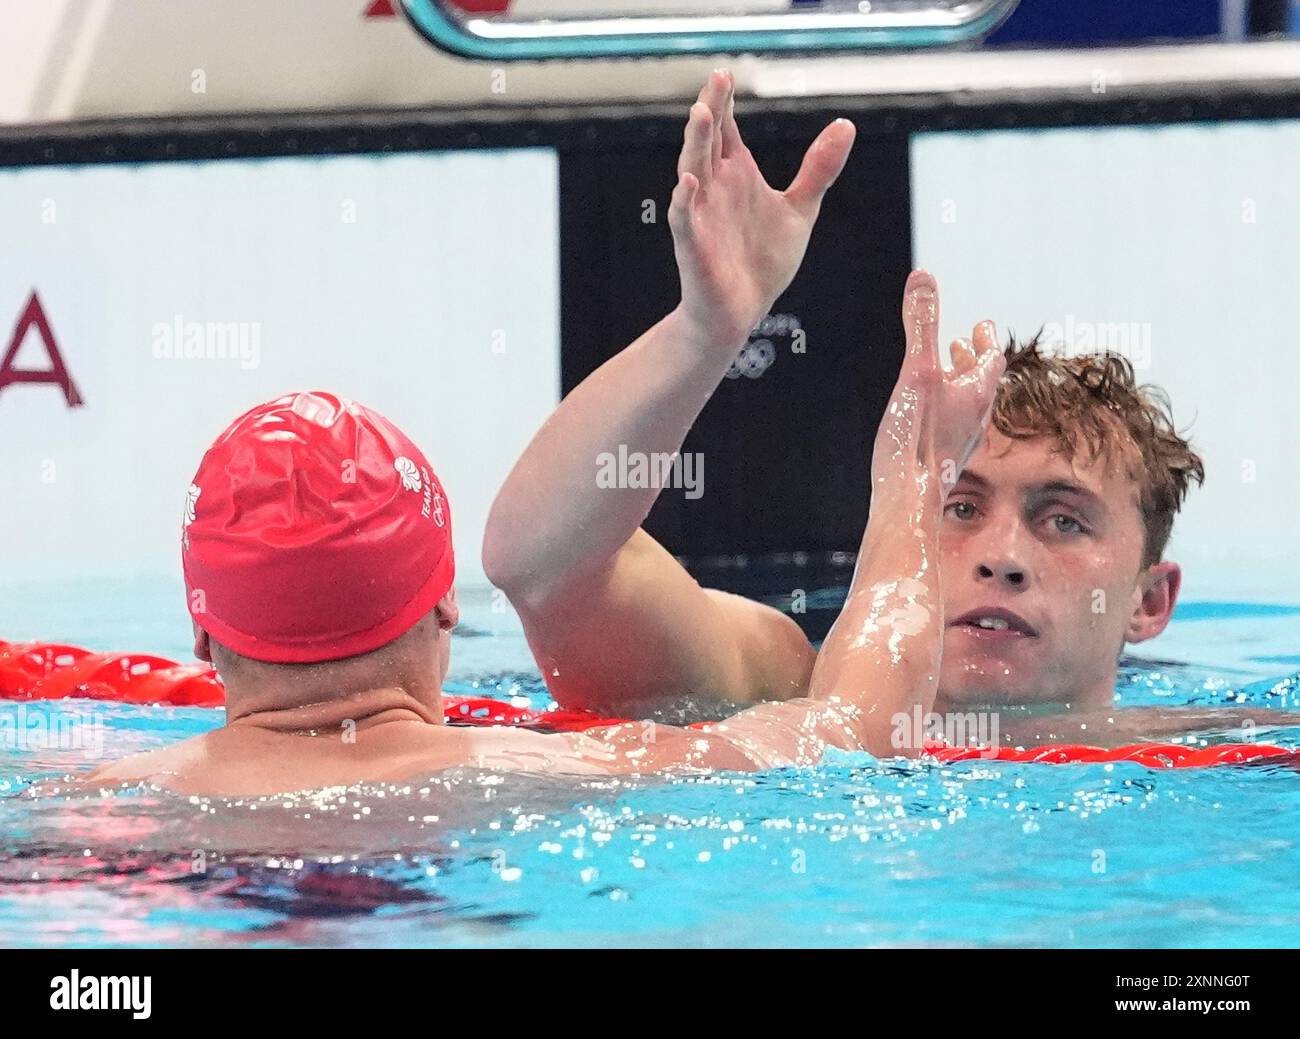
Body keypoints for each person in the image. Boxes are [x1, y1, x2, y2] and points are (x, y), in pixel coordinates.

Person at [83, 71, 1278, 796]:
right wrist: (708, 327)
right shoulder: (775, 676)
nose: (998, 550)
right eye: (958, 502)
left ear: (1153, 597)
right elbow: (546, 565)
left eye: (1060, 518)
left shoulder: (1232, 755)